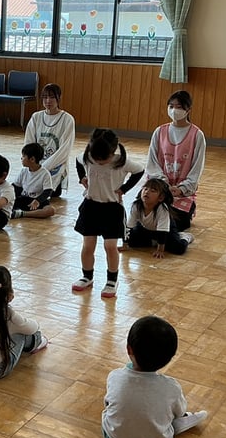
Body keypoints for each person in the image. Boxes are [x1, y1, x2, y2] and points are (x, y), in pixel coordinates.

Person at [102, 315, 208, 438]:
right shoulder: (171, 387)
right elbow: (179, 412)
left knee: (108, 413)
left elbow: (108, 403)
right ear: (169, 357)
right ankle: (185, 422)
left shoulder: (115, 376)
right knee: (169, 420)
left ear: (129, 349)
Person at [72, 129, 144, 298]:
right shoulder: (88, 157)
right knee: (88, 245)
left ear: (113, 152)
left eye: (103, 159)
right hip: (90, 207)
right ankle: (87, 276)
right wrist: (82, 177)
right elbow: (78, 161)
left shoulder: (121, 162)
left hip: (112, 209)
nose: (99, 161)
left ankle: (112, 280)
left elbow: (139, 171)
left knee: (110, 246)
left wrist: (124, 189)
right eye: (96, 158)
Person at [145, 90, 205, 231]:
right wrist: (163, 185)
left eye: (179, 107)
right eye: (171, 106)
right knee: (145, 219)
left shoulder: (197, 135)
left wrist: (181, 189)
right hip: (159, 189)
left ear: (188, 110)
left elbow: (196, 169)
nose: (174, 110)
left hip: (182, 194)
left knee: (175, 224)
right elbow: (152, 163)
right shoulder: (159, 132)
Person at [24, 84, 76, 196]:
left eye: (52, 97)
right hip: (35, 164)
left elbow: (64, 151)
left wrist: (43, 168)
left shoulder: (67, 119)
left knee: (45, 193)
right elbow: (28, 144)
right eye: (45, 97)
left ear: (59, 98)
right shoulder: (36, 117)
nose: (48, 101)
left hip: (55, 166)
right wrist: (33, 164)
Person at [124, 178, 192, 257]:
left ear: (161, 198)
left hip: (166, 230)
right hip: (145, 228)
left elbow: (163, 231)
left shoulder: (162, 209)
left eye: (152, 191)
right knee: (131, 242)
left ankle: (185, 237)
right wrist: (124, 244)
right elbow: (129, 227)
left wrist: (160, 250)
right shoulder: (136, 206)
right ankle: (155, 241)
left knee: (178, 248)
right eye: (145, 189)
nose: (147, 192)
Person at [11, 142, 56, 220]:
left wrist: (37, 201)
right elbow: (16, 187)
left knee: (51, 210)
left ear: (32, 159)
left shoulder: (45, 173)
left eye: (23, 156)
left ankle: (22, 213)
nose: (21, 158)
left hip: (37, 201)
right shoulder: (23, 171)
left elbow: (48, 191)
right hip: (24, 199)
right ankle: (18, 212)